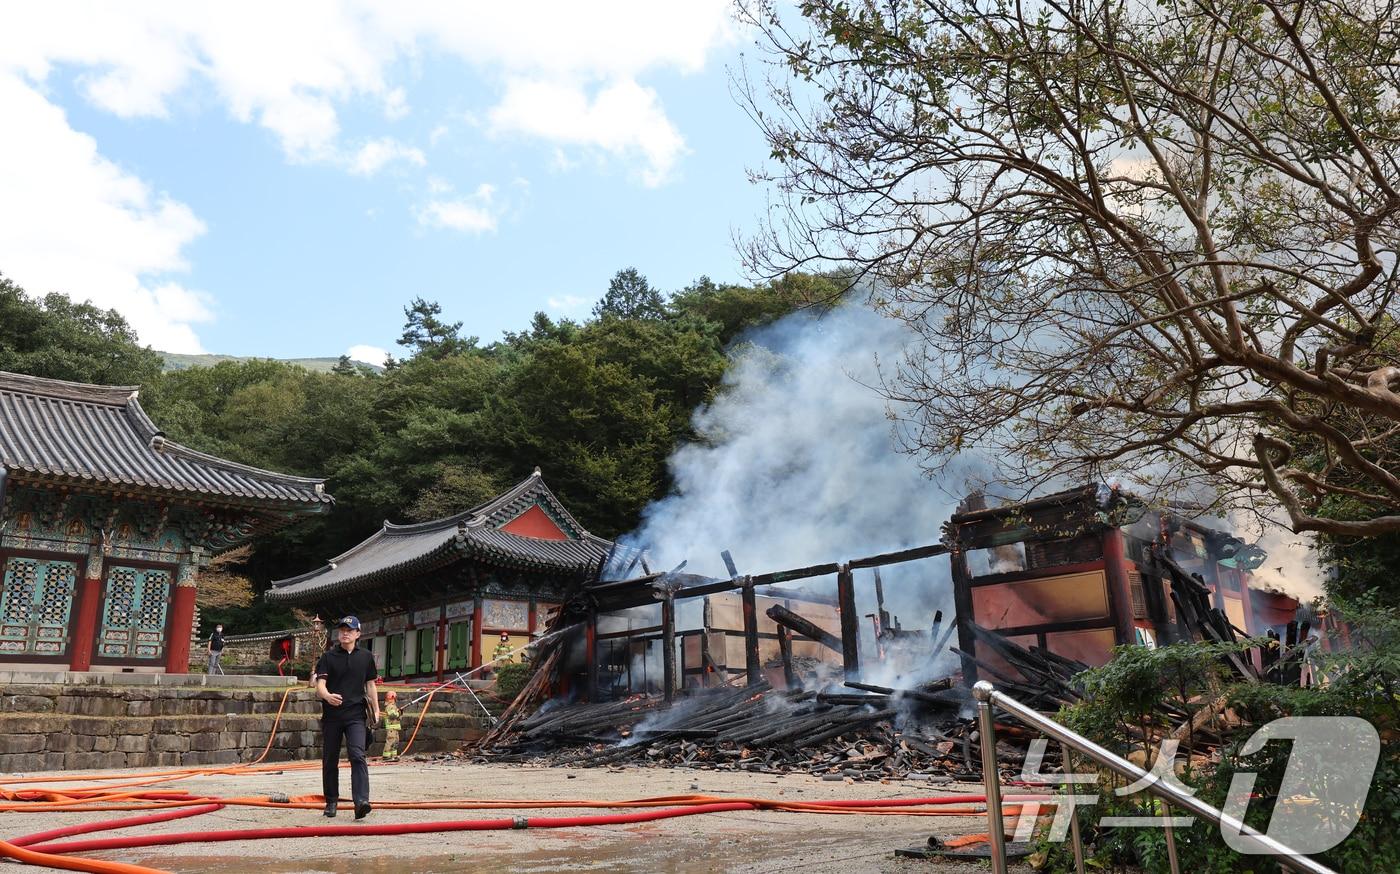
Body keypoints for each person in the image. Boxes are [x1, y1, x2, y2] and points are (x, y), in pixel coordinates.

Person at [315, 615, 380, 819]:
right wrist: (326, 696)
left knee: (358, 755)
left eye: (349, 630)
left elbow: (370, 685)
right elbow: (320, 684)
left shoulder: (366, 657)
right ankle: (331, 801)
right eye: (342, 630)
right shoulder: (328, 657)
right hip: (332, 715)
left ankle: (361, 801)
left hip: (356, 714)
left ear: (358, 634)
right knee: (330, 758)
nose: (345, 633)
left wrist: (376, 711)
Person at [381, 691, 402, 760]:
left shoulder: (393, 706)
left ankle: (393, 755)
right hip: (391, 728)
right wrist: (398, 713)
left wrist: (400, 712)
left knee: (395, 742)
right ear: (393, 698)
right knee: (390, 741)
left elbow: (397, 716)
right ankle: (386, 756)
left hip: (394, 728)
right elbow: (392, 715)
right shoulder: (390, 706)